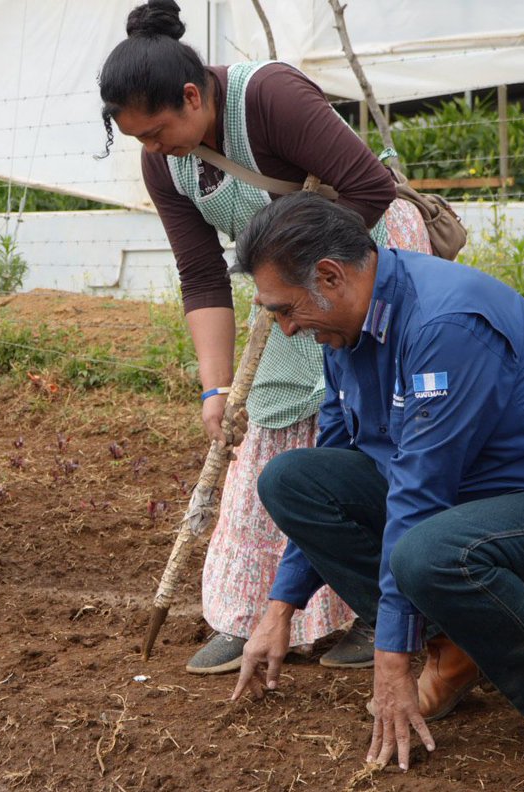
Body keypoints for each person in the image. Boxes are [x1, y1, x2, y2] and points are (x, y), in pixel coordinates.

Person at [98, 0, 433, 674]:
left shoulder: (271, 96)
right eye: (138, 139)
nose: (153, 148)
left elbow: (368, 187)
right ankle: (248, 612)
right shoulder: (165, 163)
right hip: (284, 283)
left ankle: (386, 610)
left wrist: (306, 280)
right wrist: (216, 386)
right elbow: (201, 275)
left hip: (366, 259)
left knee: (368, 427)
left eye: (158, 130)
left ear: (193, 95)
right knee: (266, 425)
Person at [229, 191, 524, 772]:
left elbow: (420, 493)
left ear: (329, 275)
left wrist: (389, 657)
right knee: (292, 479)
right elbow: (340, 460)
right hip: (458, 509)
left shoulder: (445, 323)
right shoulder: (343, 331)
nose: (286, 328)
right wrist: (281, 606)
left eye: (285, 309)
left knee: (427, 553)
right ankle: (453, 651)